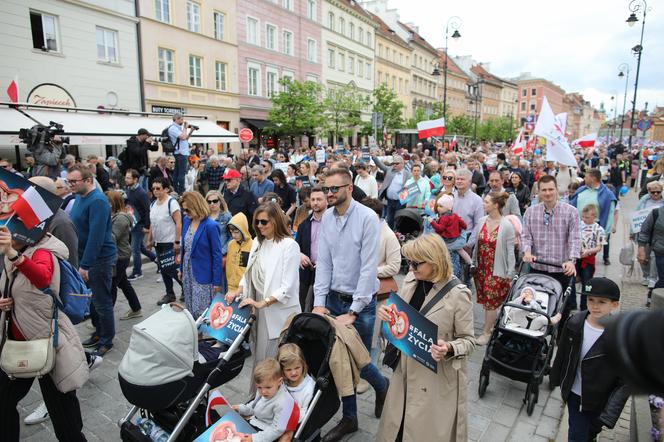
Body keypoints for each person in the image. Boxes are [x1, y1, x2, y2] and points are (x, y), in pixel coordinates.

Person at [312, 168, 388, 442]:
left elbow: (369, 269)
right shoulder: (327, 220)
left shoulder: (368, 218)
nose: (329, 193)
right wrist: (319, 303)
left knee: (360, 361)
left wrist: (354, 311)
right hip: (333, 299)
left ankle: (382, 386)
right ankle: (350, 418)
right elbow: (324, 264)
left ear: (348, 187)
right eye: (326, 189)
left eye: (334, 189)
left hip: (362, 302)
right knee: (339, 361)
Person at [376, 234, 475, 442]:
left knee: (420, 432)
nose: (410, 267)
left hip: (434, 380)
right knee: (396, 429)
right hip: (404, 369)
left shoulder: (459, 294)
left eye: (415, 263)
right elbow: (402, 317)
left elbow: (468, 340)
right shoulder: (411, 280)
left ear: (434, 261)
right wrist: (388, 316)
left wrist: (448, 347)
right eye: (408, 262)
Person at [0, 227, 88, 442]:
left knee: (65, 418)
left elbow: (43, 279)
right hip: (17, 344)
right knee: (2, 404)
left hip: (48, 341)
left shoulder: (43, 251)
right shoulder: (8, 254)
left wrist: (13, 254)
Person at [226, 202, 300, 388]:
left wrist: (263, 303)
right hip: (256, 303)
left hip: (275, 309)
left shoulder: (289, 245)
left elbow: (287, 287)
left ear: (275, 221)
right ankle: (257, 397)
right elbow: (249, 272)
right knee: (258, 354)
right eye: (256, 222)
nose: (259, 225)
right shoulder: (258, 242)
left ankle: (265, 398)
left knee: (269, 359)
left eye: (264, 221)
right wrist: (238, 290)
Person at [549, 277, 628, 442]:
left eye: (602, 301)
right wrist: (555, 378)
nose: (595, 305)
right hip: (575, 393)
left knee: (590, 431)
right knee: (577, 434)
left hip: (601, 399)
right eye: (590, 299)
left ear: (614, 305)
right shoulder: (574, 323)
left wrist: (610, 413)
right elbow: (563, 354)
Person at [68, 164, 118, 357]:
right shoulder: (80, 197)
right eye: (69, 181)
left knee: (102, 301)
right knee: (93, 301)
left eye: (74, 181)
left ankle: (107, 340)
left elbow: (96, 236)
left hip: (99, 259)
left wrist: (86, 265)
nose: (70, 184)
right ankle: (99, 332)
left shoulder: (97, 201)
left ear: (88, 181)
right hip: (86, 257)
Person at [522, 175, 580, 314]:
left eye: (550, 189)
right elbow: (526, 236)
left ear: (557, 189)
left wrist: (572, 261)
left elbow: (575, 238)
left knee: (562, 309)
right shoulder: (530, 212)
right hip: (538, 267)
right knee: (535, 305)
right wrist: (527, 252)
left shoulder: (571, 212)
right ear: (539, 192)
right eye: (544, 190)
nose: (547, 193)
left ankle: (561, 334)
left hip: (561, 268)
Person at [472, 192, 516, 345]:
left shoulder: (507, 225)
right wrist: (473, 262)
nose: (483, 204)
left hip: (496, 269)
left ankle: (486, 332)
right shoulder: (482, 221)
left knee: (490, 302)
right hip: (482, 267)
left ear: (496, 205)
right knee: (487, 301)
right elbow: (477, 245)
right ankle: (492, 325)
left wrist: (510, 273)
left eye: (486, 202)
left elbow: (510, 251)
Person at [232, 358, 298, 442]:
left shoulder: (284, 403)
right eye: (259, 387)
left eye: (268, 387)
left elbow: (276, 430)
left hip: (266, 434)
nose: (263, 391)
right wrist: (241, 408)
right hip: (254, 423)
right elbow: (253, 406)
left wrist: (254, 438)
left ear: (279, 381)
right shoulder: (264, 390)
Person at [179, 192, 223, 317]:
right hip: (188, 273)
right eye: (184, 209)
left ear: (196, 206)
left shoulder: (211, 226)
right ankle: (196, 335)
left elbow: (217, 255)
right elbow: (185, 248)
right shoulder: (187, 220)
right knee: (190, 308)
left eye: (188, 209)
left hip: (203, 275)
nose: (185, 212)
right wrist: (181, 268)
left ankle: (203, 336)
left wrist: (217, 281)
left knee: (203, 312)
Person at [106, 191, 142, 320]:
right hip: (119, 255)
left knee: (112, 286)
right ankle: (136, 308)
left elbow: (112, 238)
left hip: (120, 257)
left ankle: (106, 318)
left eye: (107, 201)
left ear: (113, 203)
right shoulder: (113, 215)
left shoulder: (120, 218)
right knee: (123, 283)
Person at [569, 168, 617, 266]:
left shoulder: (607, 194)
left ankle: (586, 277)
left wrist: (605, 234)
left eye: (586, 177)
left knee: (587, 261)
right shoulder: (581, 190)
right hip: (577, 227)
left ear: (593, 178)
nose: (584, 179)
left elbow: (610, 215)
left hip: (592, 231)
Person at [148, 177, 183, 305]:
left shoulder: (171, 203)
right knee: (163, 269)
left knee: (172, 268)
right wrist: (149, 239)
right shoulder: (153, 204)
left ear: (166, 189)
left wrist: (177, 242)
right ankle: (170, 293)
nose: (155, 191)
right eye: (153, 188)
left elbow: (179, 223)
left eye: (158, 188)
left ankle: (185, 288)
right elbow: (153, 223)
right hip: (158, 243)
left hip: (170, 241)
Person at [294, 186, 327, 312]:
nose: (315, 203)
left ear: (326, 200)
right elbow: (296, 246)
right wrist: (300, 255)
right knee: (301, 305)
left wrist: (325, 261)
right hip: (306, 271)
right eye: (312, 199)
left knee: (318, 308)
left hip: (325, 273)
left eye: (319, 199)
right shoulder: (304, 224)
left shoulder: (335, 223)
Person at [124, 169, 156, 281]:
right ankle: (155, 258)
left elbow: (148, 210)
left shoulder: (141, 193)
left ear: (135, 179)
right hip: (132, 223)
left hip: (139, 225)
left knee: (135, 249)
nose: (126, 179)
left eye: (128, 178)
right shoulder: (128, 190)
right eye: (126, 177)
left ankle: (137, 272)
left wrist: (146, 226)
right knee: (140, 247)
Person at [430, 194, 472, 267]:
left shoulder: (444, 218)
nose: (438, 208)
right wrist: (463, 228)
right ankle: (470, 263)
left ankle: (440, 264)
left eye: (441, 206)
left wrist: (432, 222)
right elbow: (464, 225)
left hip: (446, 239)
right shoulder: (455, 215)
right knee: (460, 250)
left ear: (447, 208)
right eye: (438, 206)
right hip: (455, 238)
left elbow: (440, 228)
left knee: (441, 250)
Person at [578, 204, 607, 310]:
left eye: (587, 217)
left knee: (587, 283)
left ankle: (584, 306)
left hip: (588, 259)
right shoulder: (578, 225)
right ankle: (570, 302)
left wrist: (588, 251)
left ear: (594, 216)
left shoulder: (599, 229)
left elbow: (599, 247)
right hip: (576, 257)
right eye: (583, 217)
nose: (584, 219)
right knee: (571, 281)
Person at [277, 343, 315, 423]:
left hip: (292, 421)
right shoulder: (281, 381)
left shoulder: (309, 388)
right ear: (282, 370)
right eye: (288, 370)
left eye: (297, 368)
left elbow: (305, 413)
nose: (293, 373)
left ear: (303, 365)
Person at [372, 155, 411, 230]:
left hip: (400, 201)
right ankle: (391, 233)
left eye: (397, 163)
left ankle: (398, 233)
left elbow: (412, 185)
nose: (394, 165)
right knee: (389, 219)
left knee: (398, 219)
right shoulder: (390, 170)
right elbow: (381, 165)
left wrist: (407, 189)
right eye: (393, 163)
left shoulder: (407, 174)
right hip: (389, 201)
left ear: (402, 164)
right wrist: (374, 158)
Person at [206, 190, 232, 292]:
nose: (212, 204)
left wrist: (222, 251)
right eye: (209, 202)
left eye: (215, 201)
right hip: (207, 255)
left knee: (221, 286)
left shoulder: (226, 216)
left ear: (220, 201)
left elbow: (232, 236)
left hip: (221, 255)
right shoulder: (204, 218)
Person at [168, 112, 198, 194]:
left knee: (178, 172)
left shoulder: (178, 128)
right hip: (180, 153)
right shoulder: (173, 128)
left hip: (182, 153)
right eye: (181, 119)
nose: (183, 121)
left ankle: (177, 190)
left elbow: (185, 139)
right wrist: (185, 127)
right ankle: (180, 191)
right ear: (177, 119)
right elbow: (183, 137)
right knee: (181, 173)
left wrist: (191, 131)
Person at [637, 204, 664, 291]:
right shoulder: (656, 213)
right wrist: (641, 249)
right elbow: (644, 232)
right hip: (660, 251)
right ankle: (653, 297)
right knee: (662, 280)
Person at [225, 212, 253, 294]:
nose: (233, 235)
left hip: (245, 289)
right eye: (231, 232)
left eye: (236, 232)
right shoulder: (231, 244)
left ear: (243, 229)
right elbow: (229, 266)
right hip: (231, 288)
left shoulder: (252, 245)